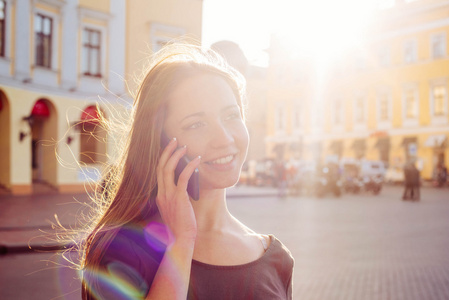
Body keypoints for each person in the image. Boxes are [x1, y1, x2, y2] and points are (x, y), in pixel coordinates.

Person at [80, 43, 294, 300]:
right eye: (196, 124)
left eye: (231, 116)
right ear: (158, 141)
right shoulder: (122, 249)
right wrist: (181, 244)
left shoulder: (276, 257)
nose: (224, 138)